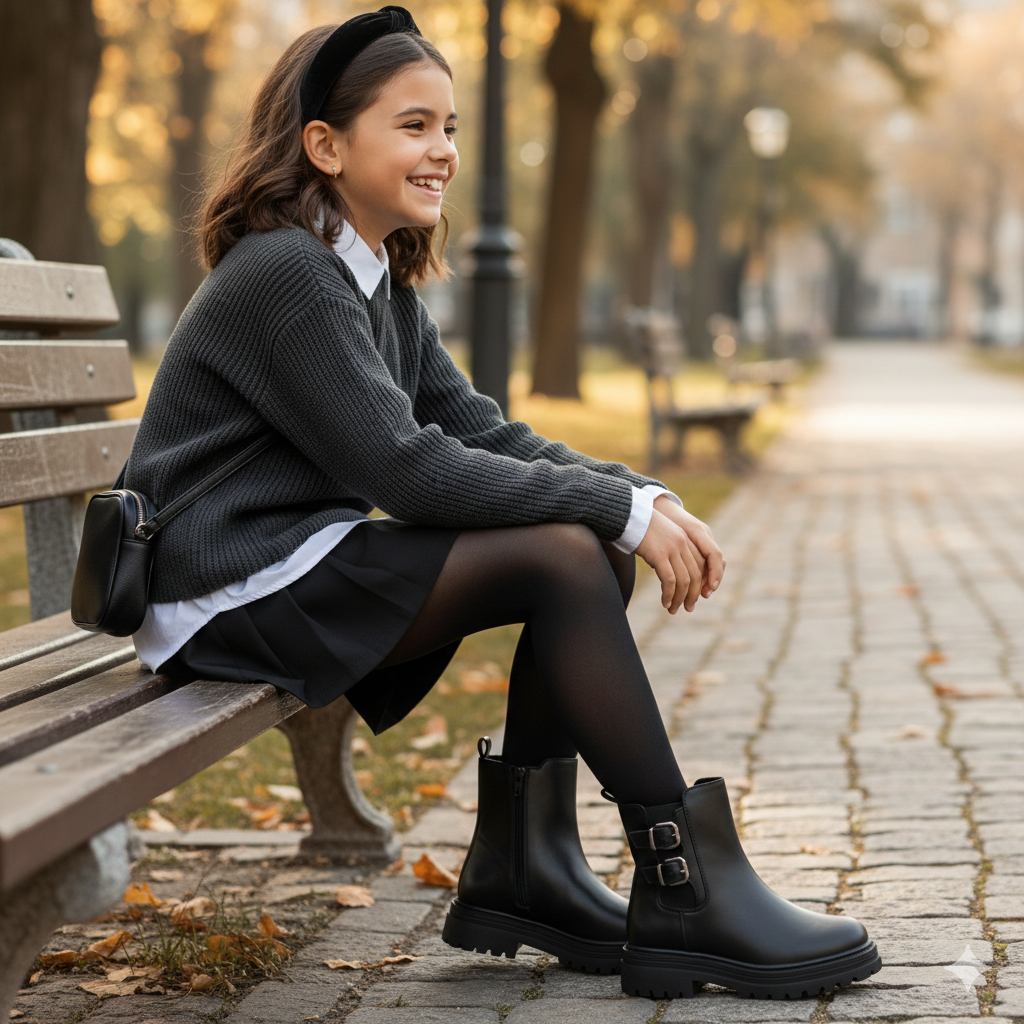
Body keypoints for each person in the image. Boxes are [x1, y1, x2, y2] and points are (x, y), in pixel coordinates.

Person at [123, 7, 880, 999]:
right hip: (224, 588)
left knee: (587, 547)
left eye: (448, 127)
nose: (441, 150)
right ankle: (685, 884)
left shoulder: (369, 277)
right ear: (325, 144)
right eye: (413, 125)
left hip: (292, 562)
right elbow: (405, 467)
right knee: (568, 553)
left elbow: (477, 428)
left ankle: (531, 867)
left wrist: (630, 497)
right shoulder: (287, 274)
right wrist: (615, 515)